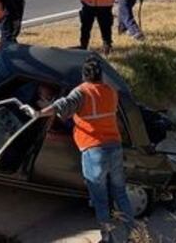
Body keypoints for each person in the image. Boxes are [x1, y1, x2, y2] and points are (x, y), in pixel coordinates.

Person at [32, 56, 134, 243]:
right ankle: (130, 235)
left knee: (100, 199)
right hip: (115, 147)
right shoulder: (110, 91)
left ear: (83, 75)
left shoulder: (81, 92)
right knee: (120, 194)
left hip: (94, 150)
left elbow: (61, 106)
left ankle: (107, 238)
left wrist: (39, 112)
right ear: (100, 75)